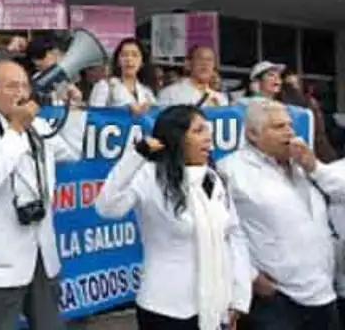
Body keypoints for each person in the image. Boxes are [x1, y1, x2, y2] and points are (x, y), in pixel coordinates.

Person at [96, 105, 251, 330]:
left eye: (207, 130)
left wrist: (238, 295)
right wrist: (136, 155)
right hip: (166, 307)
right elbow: (107, 207)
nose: (208, 138)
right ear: (176, 137)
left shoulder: (212, 179)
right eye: (198, 131)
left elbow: (234, 235)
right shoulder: (149, 175)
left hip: (215, 306)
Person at [0, 56, 86, 330]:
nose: (21, 93)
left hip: (42, 254)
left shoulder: (38, 126)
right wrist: (16, 128)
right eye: (11, 86)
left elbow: (72, 151)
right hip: (0, 260)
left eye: (24, 86)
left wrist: (75, 110)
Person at [218, 98, 345, 330]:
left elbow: (341, 190)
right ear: (253, 135)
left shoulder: (303, 164)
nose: (289, 132)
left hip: (322, 291)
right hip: (275, 300)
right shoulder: (231, 170)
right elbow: (220, 232)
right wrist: (251, 276)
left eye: (289, 125)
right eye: (278, 127)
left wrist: (314, 167)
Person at [89, 37, 155, 112]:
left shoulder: (147, 92)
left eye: (135, 55)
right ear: (118, 61)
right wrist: (125, 111)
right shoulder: (105, 86)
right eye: (124, 55)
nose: (129, 59)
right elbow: (94, 115)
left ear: (142, 62)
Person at [158, 46, 228, 107]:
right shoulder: (170, 93)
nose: (205, 63)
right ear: (189, 64)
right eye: (200, 59)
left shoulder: (221, 99)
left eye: (209, 60)